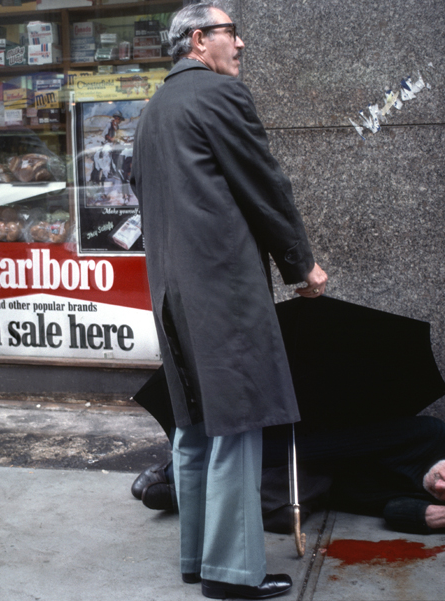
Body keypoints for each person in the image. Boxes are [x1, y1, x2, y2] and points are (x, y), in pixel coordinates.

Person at [130, 3, 328, 599]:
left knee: (192, 425)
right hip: (222, 288)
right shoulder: (219, 97)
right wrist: (302, 263)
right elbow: (265, 184)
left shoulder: (152, 110)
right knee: (238, 423)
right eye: (230, 33)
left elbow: (142, 190)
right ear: (198, 40)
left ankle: (197, 557)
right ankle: (230, 574)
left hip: (172, 291)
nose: (239, 45)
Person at [133, 415, 445, 535]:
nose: (439, 487)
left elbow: (397, 512)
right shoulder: (430, 434)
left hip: (330, 488)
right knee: (270, 465)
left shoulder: (436, 496)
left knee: (279, 512)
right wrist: (279, 453)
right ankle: (175, 471)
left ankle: (186, 494)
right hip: (330, 454)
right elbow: (351, 443)